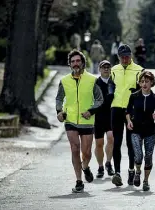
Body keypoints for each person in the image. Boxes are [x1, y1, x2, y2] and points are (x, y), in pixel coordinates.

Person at [55, 49, 104, 193]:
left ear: (83, 63)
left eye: (78, 61)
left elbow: (100, 99)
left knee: (87, 153)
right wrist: (59, 111)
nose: (75, 64)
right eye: (73, 61)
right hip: (70, 120)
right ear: (70, 64)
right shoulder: (64, 81)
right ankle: (79, 180)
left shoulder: (92, 79)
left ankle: (85, 166)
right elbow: (59, 98)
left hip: (87, 120)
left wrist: (91, 111)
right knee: (75, 149)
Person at [110, 44, 145, 187]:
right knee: (116, 142)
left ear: (131, 56)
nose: (125, 59)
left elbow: (144, 89)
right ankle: (117, 173)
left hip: (131, 111)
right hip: (116, 109)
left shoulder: (139, 70)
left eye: (127, 56)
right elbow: (110, 87)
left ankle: (131, 171)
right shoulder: (114, 70)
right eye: (122, 56)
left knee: (131, 143)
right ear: (118, 57)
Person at [126, 71, 155, 191]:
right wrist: (129, 121)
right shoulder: (134, 96)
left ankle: (146, 181)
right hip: (136, 129)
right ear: (139, 83)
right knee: (138, 155)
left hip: (149, 131)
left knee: (148, 156)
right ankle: (137, 172)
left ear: (152, 82)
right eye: (142, 81)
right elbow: (127, 111)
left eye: (147, 81)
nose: (144, 84)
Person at [94, 60, 115, 178]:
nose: (106, 69)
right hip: (98, 117)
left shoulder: (114, 83)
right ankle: (100, 166)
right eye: (103, 67)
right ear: (99, 69)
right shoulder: (95, 83)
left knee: (111, 138)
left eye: (108, 67)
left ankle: (108, 163)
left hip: (111, 115)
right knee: (99, 144)